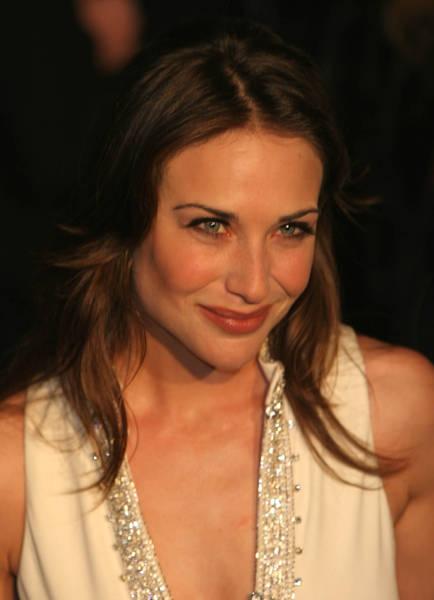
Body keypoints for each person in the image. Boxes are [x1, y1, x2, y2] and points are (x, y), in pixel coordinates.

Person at [0, 18, 433, 600]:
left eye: (290, 230)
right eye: (211, 226)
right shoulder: (16, 471)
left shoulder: (395, 414)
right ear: (127, 218)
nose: (254, 283)